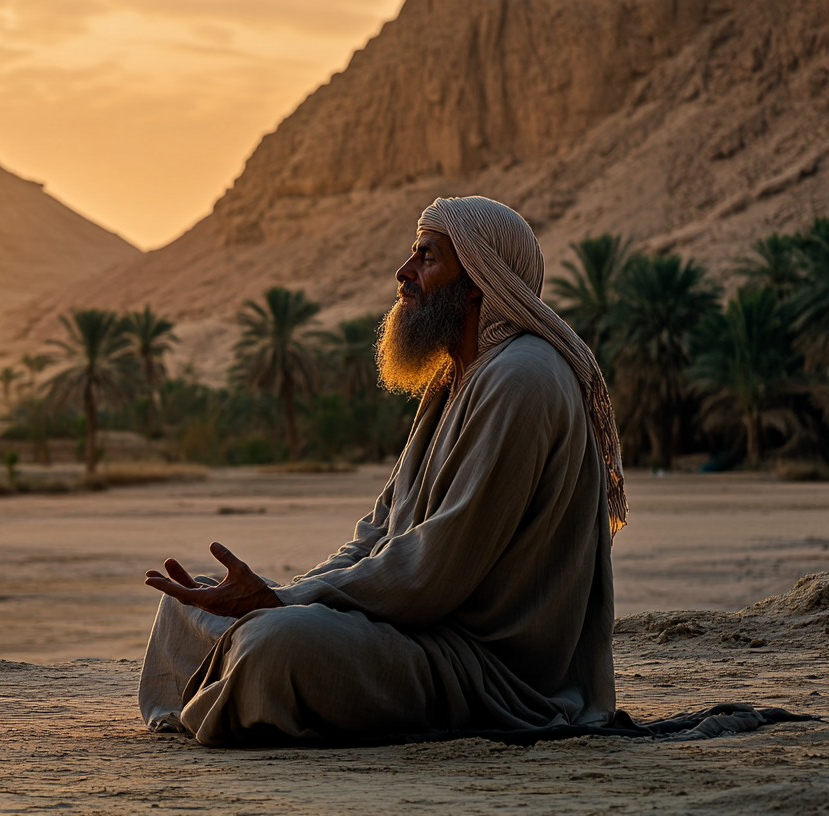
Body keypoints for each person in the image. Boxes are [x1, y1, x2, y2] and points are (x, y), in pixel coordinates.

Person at [139, 196, 626, 746]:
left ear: (478, 281)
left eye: (427, 257)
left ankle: (245, 676)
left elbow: (433, 569)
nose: (404, 272)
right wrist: (288, 594)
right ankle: (240, 673)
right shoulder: (456, 381)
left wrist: (286, 606)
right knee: (189, 604)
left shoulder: (523, 378)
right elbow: (377, 534)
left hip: (483, 669)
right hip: (413, 630)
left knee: (274, 643)